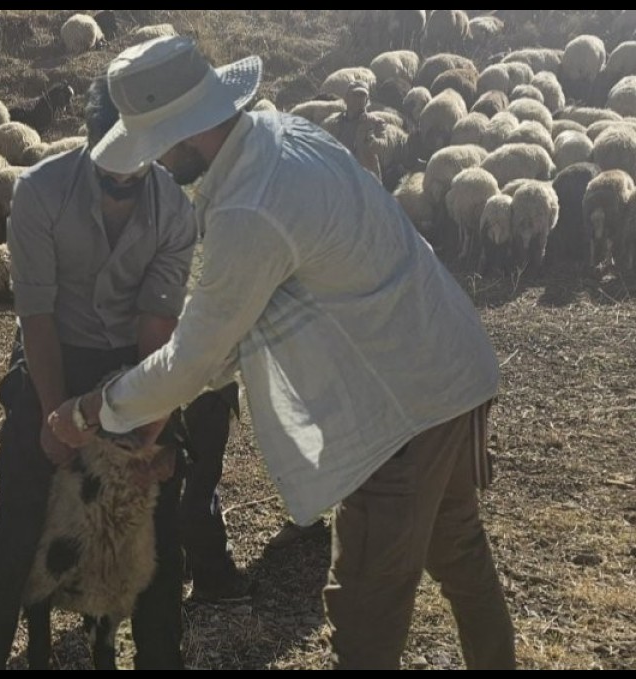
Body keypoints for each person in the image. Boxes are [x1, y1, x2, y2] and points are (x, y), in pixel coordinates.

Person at [48, 36, 516, 670]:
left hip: (399, 411)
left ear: (183, 132)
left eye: (154, 143)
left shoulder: (247, 206)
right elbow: (229, 334)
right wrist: (151, 413)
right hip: (447, 362)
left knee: (366, 612)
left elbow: (194, 356)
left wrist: (92, 410)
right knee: (459, 550)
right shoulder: (284, 133)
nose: (154, 162)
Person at [0, 75, 245, 671]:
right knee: (15, 535)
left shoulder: (173, 208)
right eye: (112, 166)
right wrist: (52, 414)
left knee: (158, 540)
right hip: (53, 351)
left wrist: (145, 427)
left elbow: (157, 322)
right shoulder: (39, 192)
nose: (122, 185)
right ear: (93, 144)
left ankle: (161, 657)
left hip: (132, 363)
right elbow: (35, 312)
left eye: (137, 166)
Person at [321, 80, 390, 181]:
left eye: (362, 96)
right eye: (355, 95)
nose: (358, 99)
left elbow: (384, 147)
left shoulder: (376, 123)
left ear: (367, 100)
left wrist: (373, 141)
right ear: (346, 98)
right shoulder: (333, 122)